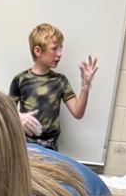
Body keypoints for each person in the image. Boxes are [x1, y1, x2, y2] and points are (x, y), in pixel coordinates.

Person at [9, 23, 98, 151]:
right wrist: (19, 117)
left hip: (51, 146)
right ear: (38, 51)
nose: (60, 53)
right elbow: (8, 113)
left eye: (61, 48)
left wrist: (86, 85)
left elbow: (78, 113)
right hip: (25, 144)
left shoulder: (60, 81)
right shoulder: (21, 80)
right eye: (54, 48)